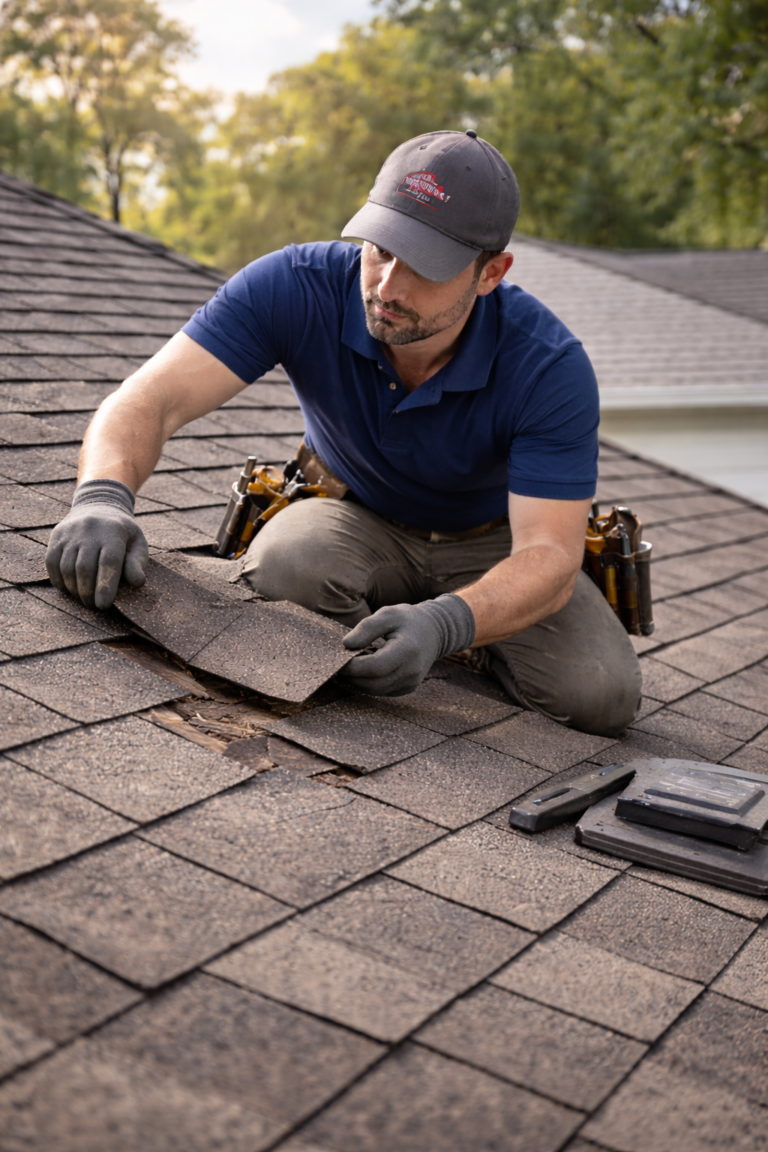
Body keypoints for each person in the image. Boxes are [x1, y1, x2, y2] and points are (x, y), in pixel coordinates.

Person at [46, 129, 641, 736]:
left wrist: (449, 624)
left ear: (491, 273)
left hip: (493, 542)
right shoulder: (293, 285)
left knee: (601, 695)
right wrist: (101, 496)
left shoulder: (549, 367)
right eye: (381, 249)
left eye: (425, 269)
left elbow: (549, 555)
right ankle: (394, 620)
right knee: (285, 567)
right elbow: (152, 397)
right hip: (355, 517)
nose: (386, 288)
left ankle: (461, 632)